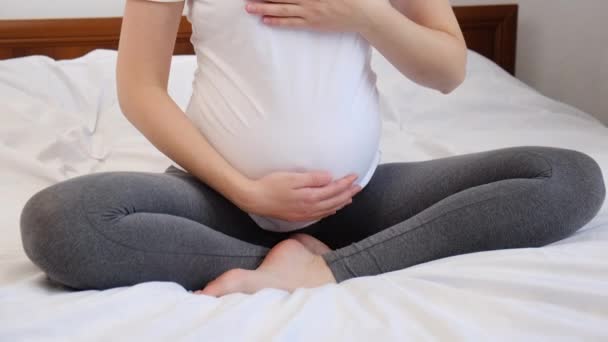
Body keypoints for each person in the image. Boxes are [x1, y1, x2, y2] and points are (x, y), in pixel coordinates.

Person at [19, 0, 605, 297]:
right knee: (59, 224)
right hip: (219, 199)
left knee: (567, 177)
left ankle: (318, 270)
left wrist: (364, 14)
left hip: (358, 200)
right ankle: (278, 261)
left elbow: (448, 69)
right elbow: (138, 88)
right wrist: (247, 189)